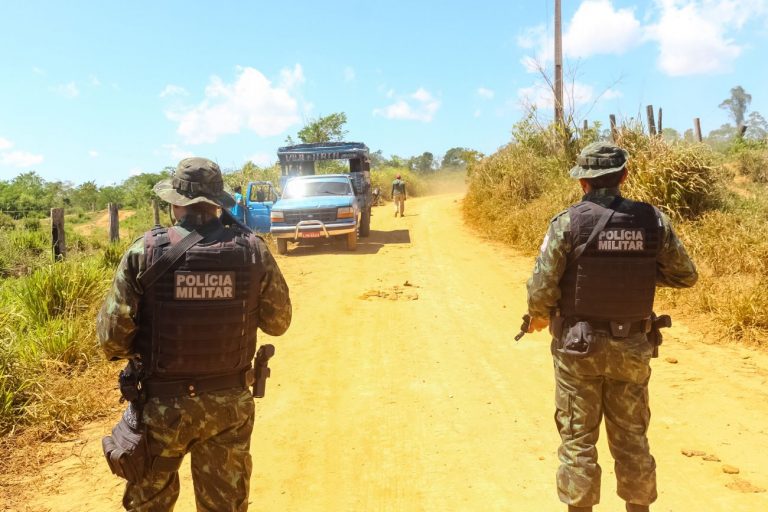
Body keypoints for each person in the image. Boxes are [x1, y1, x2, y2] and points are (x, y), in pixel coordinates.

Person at [97, 157, 292, 511]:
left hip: (159, 410)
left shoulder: (144, 252)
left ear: (176, 204)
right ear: (218, 203)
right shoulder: (253, 250)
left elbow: (111, 340)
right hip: (228, 408)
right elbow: (278, 322)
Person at [525, 142, 698, 512]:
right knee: (633, 438)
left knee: (578, 441)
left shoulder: (567, 222)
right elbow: (685, 275)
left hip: (578, 348)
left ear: (583, 182)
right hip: (632, 347)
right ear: (624, 176)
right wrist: (636, 272)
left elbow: (541, 288)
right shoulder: (653, 220)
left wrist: (539, 316)